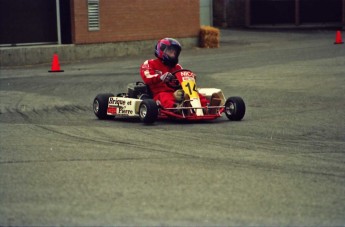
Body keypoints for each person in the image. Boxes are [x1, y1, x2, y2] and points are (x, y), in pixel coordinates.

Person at [140, 38, 207, 109]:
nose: (173, 53)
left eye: (175, 51)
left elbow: (183, 78)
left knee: (194, 93)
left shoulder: (177, 67)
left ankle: (206, 106)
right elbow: (147, 77)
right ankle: (176, 109)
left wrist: (190, 78)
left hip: (176, 93)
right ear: (162, 50)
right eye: (170, 50)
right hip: (158, 94)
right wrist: (160, 77)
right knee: (165, 97)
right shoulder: (150, 63)